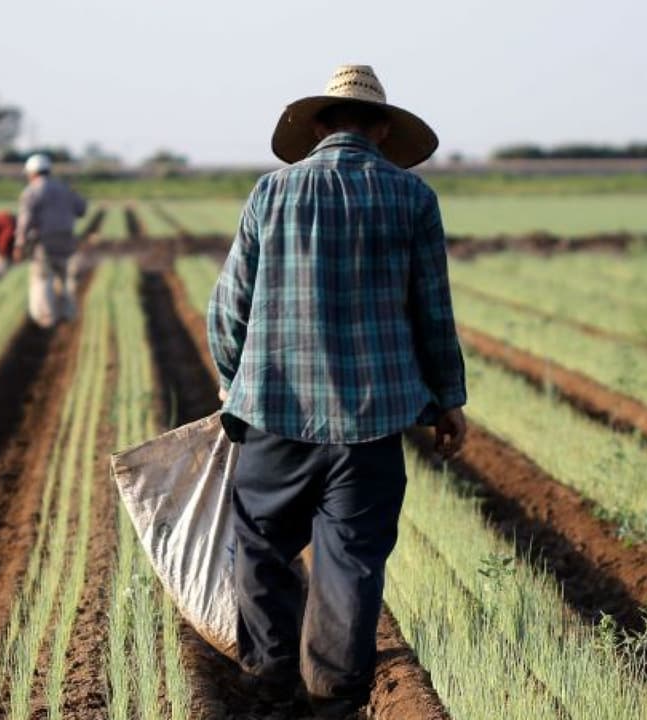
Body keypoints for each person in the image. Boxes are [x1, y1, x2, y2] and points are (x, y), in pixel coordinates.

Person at [206, 64, 468, 719]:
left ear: (320, 124)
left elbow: (229, 306)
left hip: (275, 410)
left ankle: (270, 678)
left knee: (262, 546)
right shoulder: (413, 199)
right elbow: (431, 310)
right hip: (372, 420)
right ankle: (335, 696)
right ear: (381, 128)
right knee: (349, 559)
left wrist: (233, 388)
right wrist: (447, 399)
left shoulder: (272, 193)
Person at [14, 153, 88, 327]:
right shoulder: (64, 188)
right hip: (66, 239)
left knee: (42, 277)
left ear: (32, 173)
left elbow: (25, 219)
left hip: (43, 241)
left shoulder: (32, 191)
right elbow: (82, 209)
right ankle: (67, 314)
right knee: (64, 276)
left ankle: (47, 318)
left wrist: (20, 243)